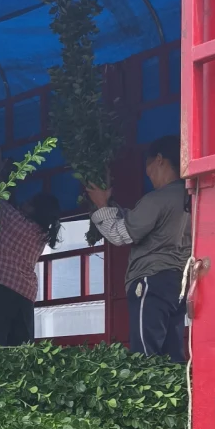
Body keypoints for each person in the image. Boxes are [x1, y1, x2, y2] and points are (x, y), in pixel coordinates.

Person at [84, 136, 191, 363]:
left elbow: (120, 234)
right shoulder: (191, 196)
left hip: (152, 281)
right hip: (180, 284)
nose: (148, 174)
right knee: (173, 354)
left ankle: (148, 398)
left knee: (145, 355)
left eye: (149, 167)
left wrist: (102, 205)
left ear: (159, 160)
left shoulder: (158, 199)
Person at [0, 147, 60, 346]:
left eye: (28, 203)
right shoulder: (42, 235)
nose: (22, 204)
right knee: (18, 348)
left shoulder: (16, 222)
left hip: (0, 288)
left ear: (35, 210)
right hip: (25, 296)